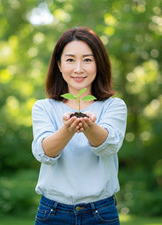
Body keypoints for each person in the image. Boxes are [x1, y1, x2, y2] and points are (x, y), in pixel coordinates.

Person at [31, 27, 127, 225]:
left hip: (101, 213)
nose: (78, 69)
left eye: (87, 60)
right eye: (70, 59)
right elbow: (43, 153)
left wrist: (90, 127)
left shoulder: (114, 106)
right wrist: (67, 130)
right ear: (59, 64)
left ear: (98, 64)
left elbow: (109, 146)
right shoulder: (44, 107)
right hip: (52, 213)